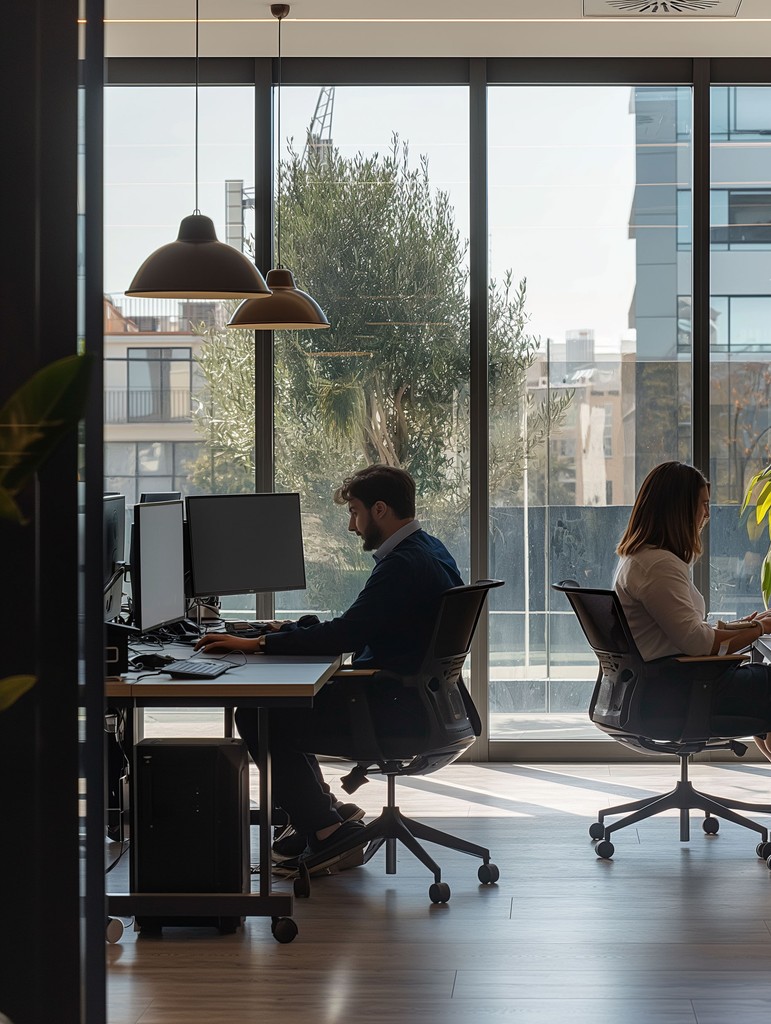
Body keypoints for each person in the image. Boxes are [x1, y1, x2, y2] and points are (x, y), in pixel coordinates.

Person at [194, 465, 464, 870]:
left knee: (257, 714)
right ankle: (324, 815)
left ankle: (324, 830)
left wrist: (257, 643)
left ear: (380, 509)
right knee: (278, 709)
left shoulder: (401, 565)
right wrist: (293, 630)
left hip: (389, 712)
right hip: (419, 705)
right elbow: (363, 625)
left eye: (354, 512)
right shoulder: (430, 549)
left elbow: (347, 636)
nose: (353, 526)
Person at [614, 461, 771, 760]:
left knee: (762, 687)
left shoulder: (642, 559)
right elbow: (698, 643)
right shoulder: (658, 565)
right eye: (703, 505)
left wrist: (743, 625)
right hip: (679, 693)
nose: (708, 514)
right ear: (679, 509)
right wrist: (760, 630)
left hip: (666, 686)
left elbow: (685, 631)